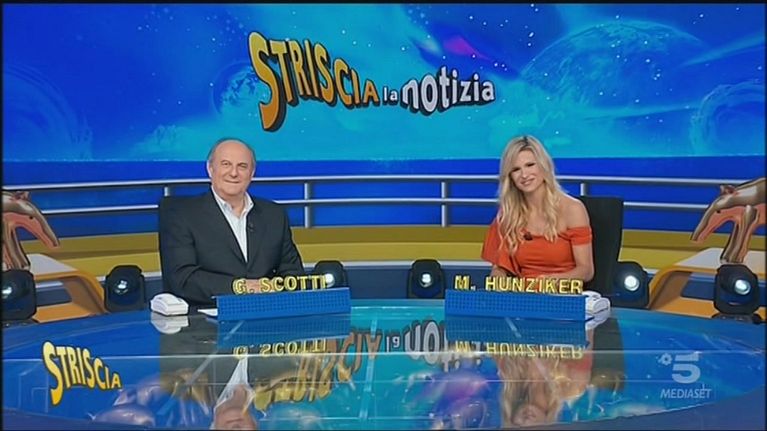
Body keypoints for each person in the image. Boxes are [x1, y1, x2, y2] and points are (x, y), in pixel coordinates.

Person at [159, 138, 305, 306]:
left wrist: (274, 293)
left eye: (242, 166)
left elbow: (293, 274)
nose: (234, 173)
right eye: (226, 164)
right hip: (206, 316)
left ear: (252, 173)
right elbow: (182, 278)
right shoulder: (181, 214)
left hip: (268, 312)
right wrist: (242, 287)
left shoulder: (274, 214)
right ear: (210, 169)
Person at [481, 135, 594, 282]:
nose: (524, 175)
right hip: (522, 293)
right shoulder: (508, 215)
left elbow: (586, 271)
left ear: (543, 165)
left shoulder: (573, 209)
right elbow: (499, 268)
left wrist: (546, 282)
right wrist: (499, 282)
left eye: (530, 165)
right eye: (516, 169)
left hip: (562, 291)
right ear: (510, 177)